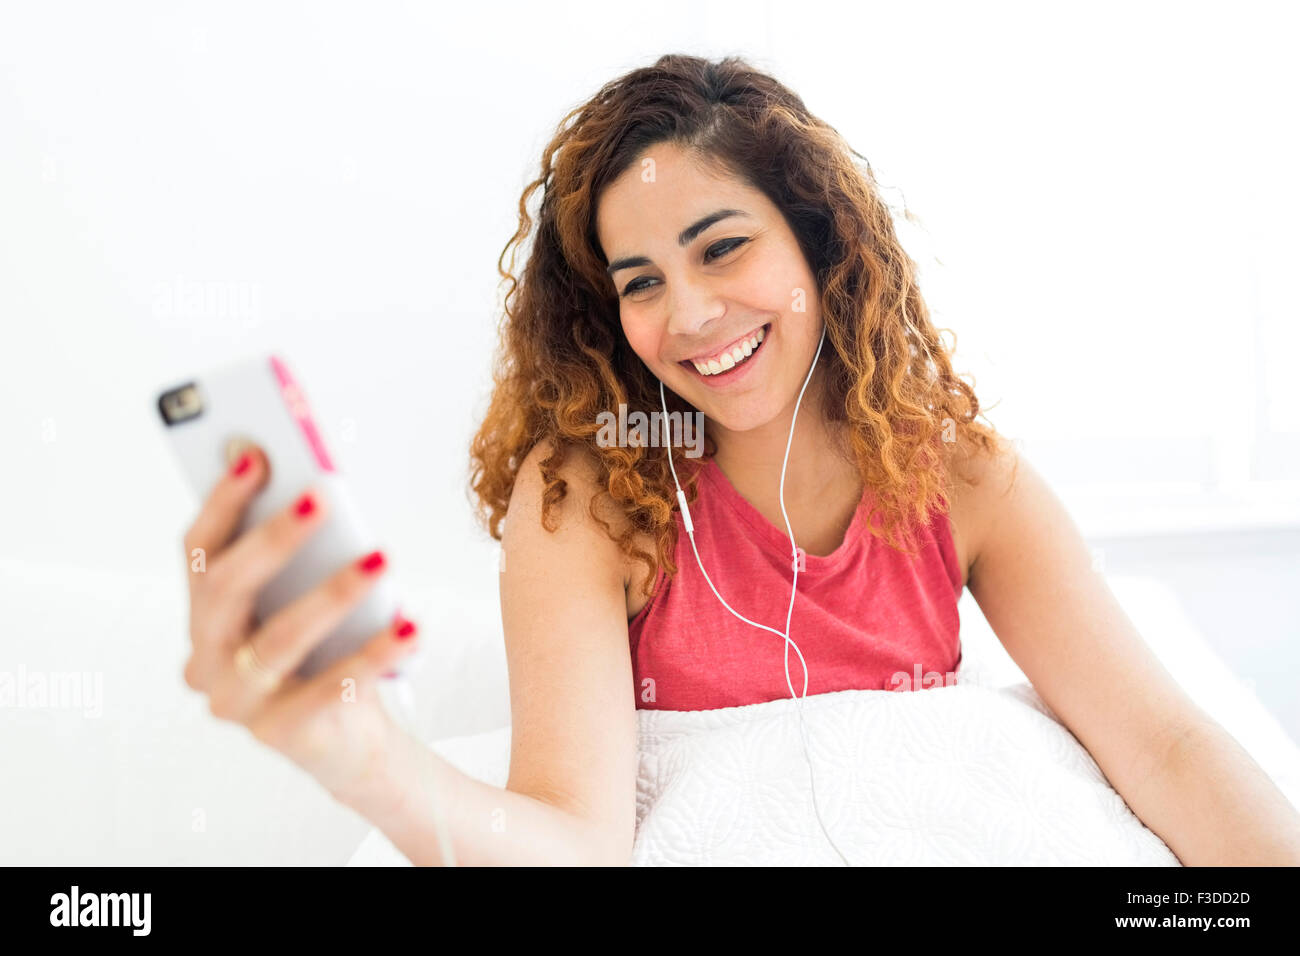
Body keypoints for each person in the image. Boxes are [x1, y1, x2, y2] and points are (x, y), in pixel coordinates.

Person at [180, 54, 1300, 866]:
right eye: (641, 280)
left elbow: (1163, 746)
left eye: (723, 248)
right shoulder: (590, 494)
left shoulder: (960, 479)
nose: (693, 313)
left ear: (818, 242)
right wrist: (357, 751)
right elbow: (571, 840)